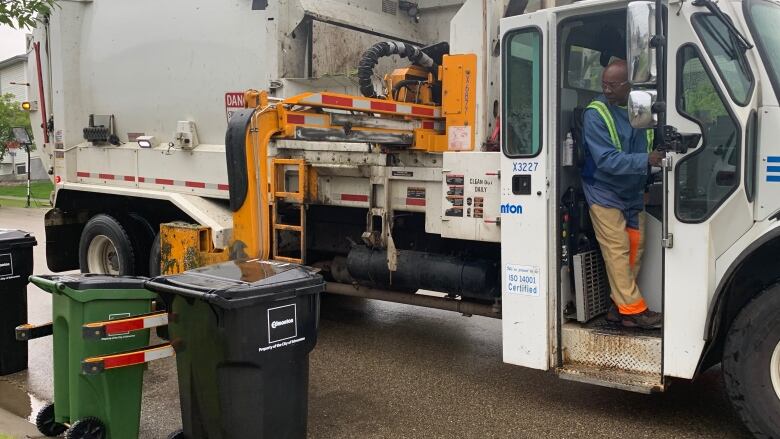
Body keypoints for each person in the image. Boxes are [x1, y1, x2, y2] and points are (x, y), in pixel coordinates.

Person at [581, 59, 664, 329]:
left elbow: (648, 145)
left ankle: (618, 308)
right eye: (604, 84)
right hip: (603, 191)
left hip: (632, 191)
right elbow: (606, 160)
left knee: (635, 248)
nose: (607, 89)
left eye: (613, 85)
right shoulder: (596, 113)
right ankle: (634, 310)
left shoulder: (641, 109)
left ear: (630, 86)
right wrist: (647, 161)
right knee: (616, 248)